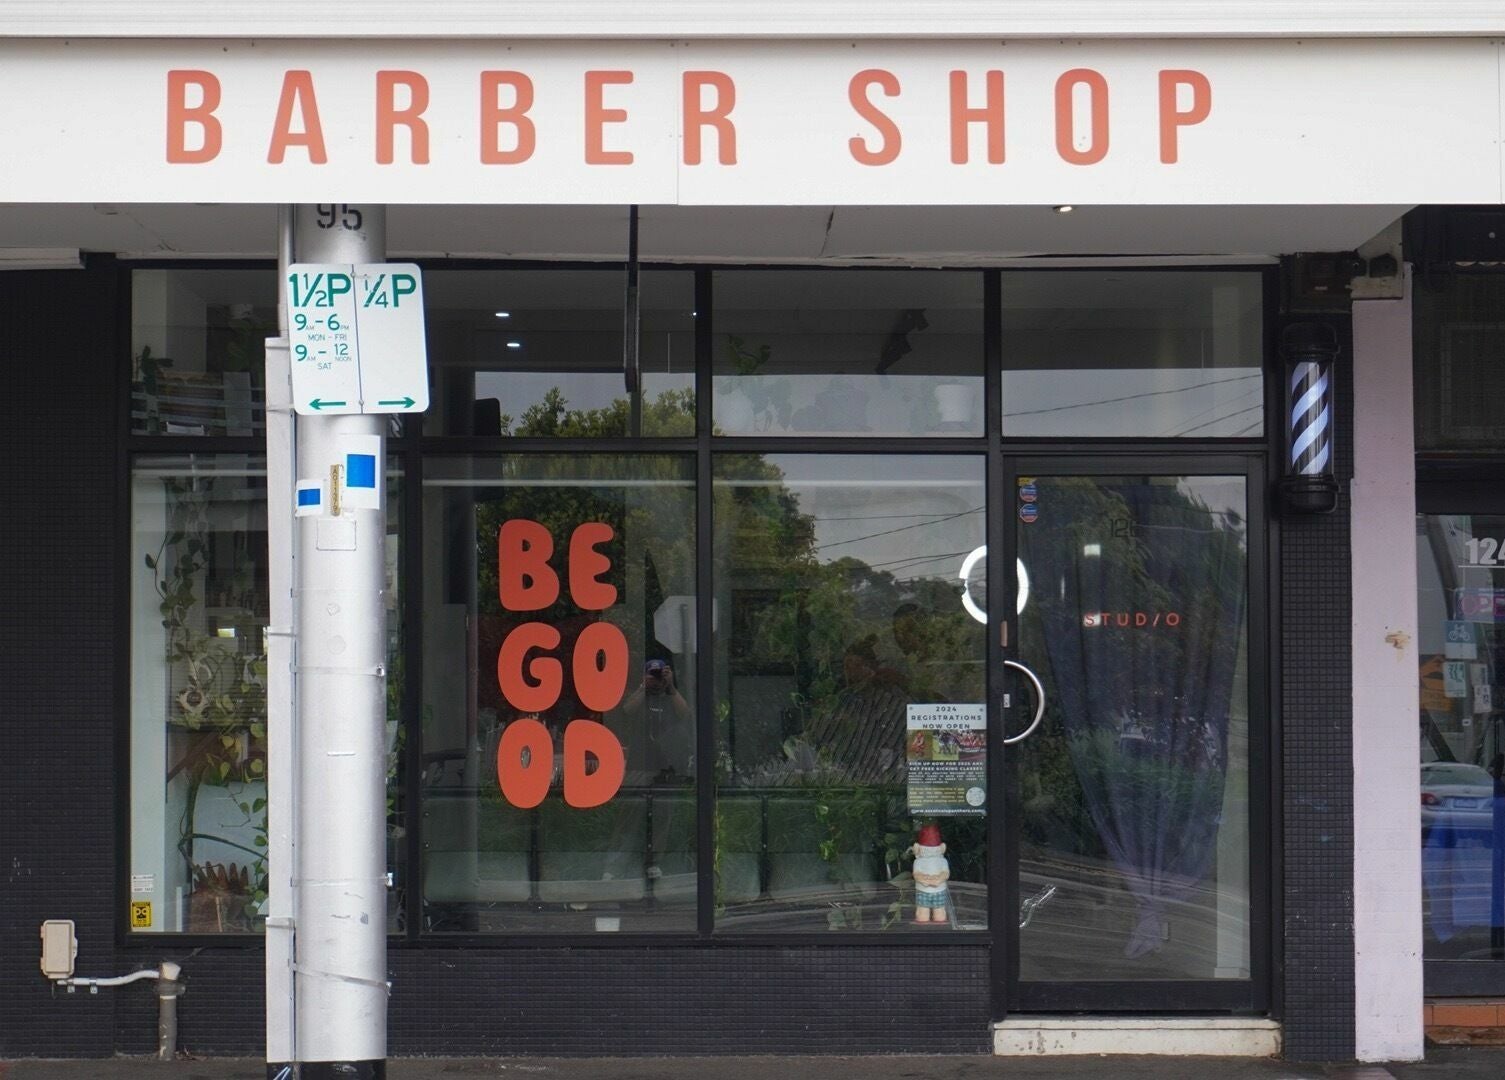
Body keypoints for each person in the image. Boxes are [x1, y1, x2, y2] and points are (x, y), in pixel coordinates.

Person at [621, 658, 691, 781]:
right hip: (640, 764)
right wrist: (644, 687)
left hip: (668, 765)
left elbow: (685, 714)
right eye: (652, 675)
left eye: (659, 675)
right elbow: (627, 710)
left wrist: (671, 686)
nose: (656, 679)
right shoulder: (640, 697)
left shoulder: (672, 698)